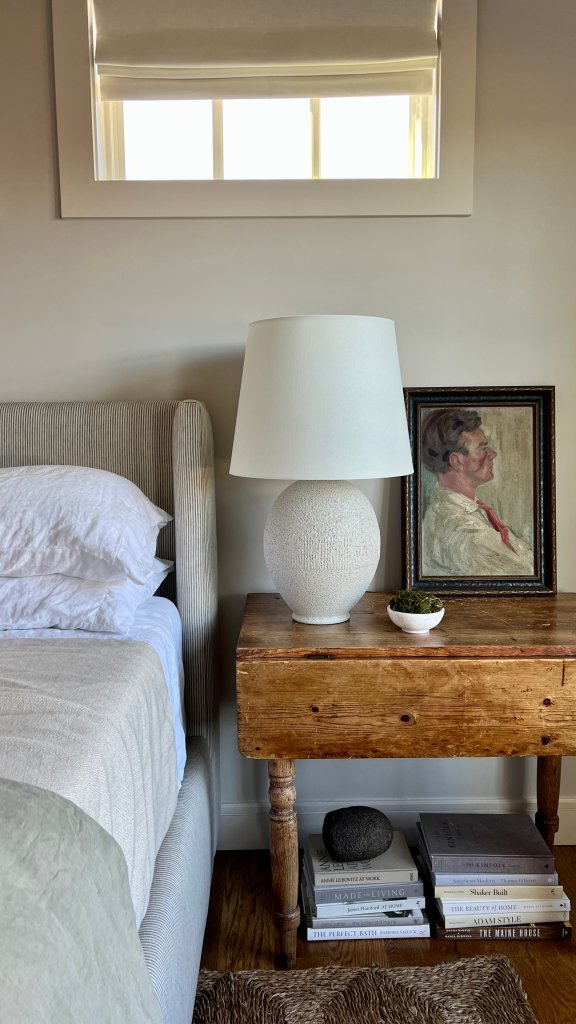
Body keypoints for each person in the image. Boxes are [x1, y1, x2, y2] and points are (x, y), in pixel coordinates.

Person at [421, 407, 534, 577]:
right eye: (482, 448)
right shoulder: (462, 531)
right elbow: (526, 574)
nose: (493, 454)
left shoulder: (469, 510)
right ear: (456, 461)